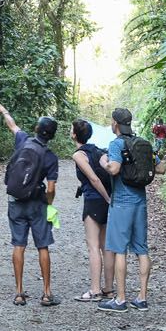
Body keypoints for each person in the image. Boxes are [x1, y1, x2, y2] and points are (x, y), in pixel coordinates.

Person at [98, 106, 166, 313]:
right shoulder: (143, 143)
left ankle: (120, 299)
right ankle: (142, 298)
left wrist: (104, 161)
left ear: (115, 123)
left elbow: (114, 168)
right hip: (140, 201)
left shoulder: (116, 144)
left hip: (122, 202)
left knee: (120, 249)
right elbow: (161, 169)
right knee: (141, 248)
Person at [0, 102, 60, 307]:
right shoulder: (50, 157)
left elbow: (12, 125)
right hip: (38, 204)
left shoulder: (23, 141)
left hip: (16, 202)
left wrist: (4, 110)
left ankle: (19, 293)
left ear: (37, 130)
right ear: (51, 136)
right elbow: (50, 189)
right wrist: (49, 205)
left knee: (18, 245)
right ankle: (47, 293)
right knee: (43, 246)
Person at [70, 119, 114, 302]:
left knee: (93, 246)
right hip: (105, 201)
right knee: (105, 246)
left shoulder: (79, 155)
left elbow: (94, 179)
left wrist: (106, 198)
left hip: (95, 200)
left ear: (74, 134)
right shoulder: (99, 150)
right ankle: (108, 289)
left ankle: (95, 290)